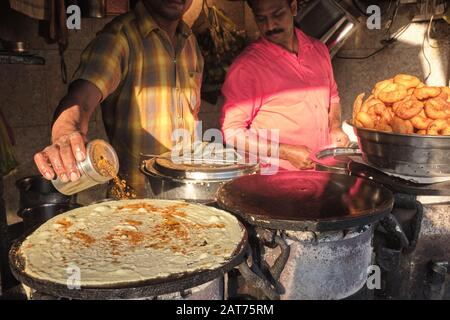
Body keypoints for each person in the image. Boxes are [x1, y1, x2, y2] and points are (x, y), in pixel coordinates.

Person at [34, 0, 204, 195]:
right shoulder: (119, 37)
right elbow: (82, 99)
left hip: (188, 194)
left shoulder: (190, 41)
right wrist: (65, 131)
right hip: (135, 200)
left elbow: (193, 116)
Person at [220, 0, 349, 171]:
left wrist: (335, 126)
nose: (270, 25)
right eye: (261, 19)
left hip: (322, 173)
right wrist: (284, 152)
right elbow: (231, 132)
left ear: (293, 8)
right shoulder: (246, 68)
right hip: (274, 180)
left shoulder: (319, 50)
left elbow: (332, 96)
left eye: (277, 14)